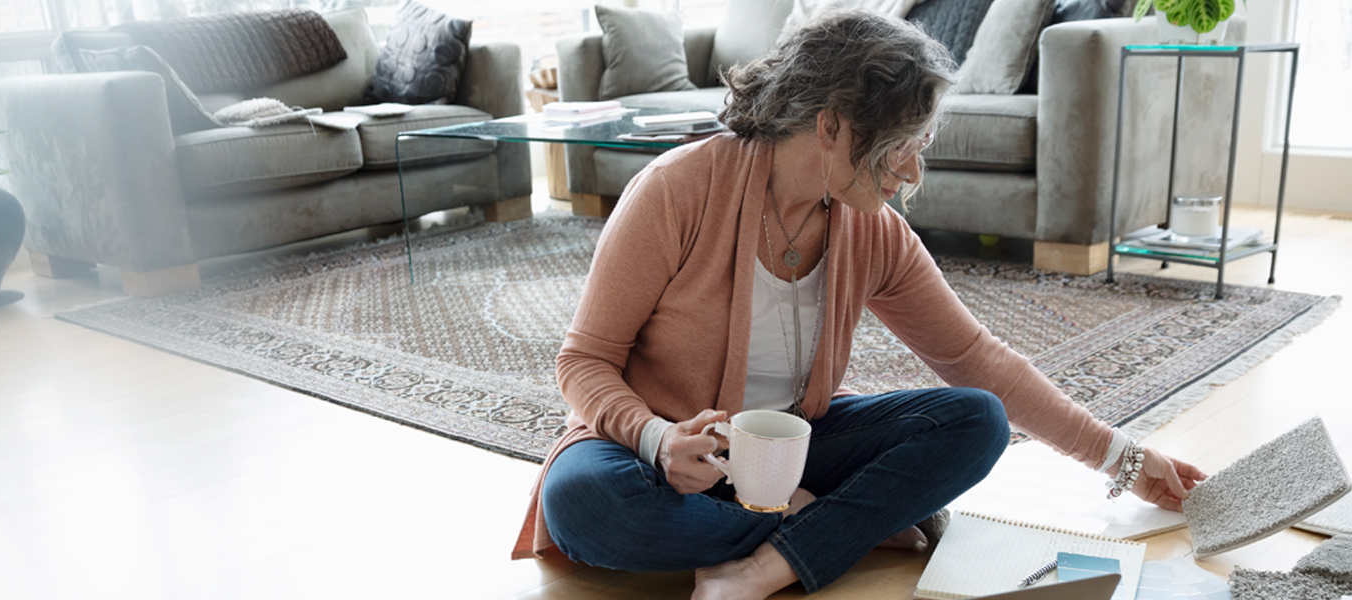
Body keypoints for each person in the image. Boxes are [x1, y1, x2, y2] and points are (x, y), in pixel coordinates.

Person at [512, 10, 1207, 600]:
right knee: (581, 504)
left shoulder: (871, 229)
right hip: (661, 453)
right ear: (832, 125)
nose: (913, 172)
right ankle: (840, 526)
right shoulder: (677, 190)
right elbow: (584, 360)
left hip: (791, 451)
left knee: (977, 421)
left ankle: (763, 564)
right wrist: (657, 439)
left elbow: (976, 360)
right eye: (901, 146)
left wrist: (1124, 458)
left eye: (921, 146)